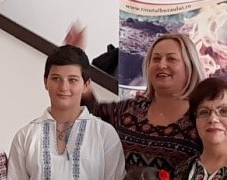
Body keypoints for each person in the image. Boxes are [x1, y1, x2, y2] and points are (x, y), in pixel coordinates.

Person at [2, 45, 124, 180]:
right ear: (45, 82)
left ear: (86, 84)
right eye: (56, 78)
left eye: (73, 80)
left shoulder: (104, 134)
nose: (64, 87)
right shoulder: (27, 135)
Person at [68, 31, 203, 172]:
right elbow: (92, 113)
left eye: (171, 59)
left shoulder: (202, 117)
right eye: (156, 59)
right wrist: (75, 61)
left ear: (190, 66)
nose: (162, 65)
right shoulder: (131, 110)